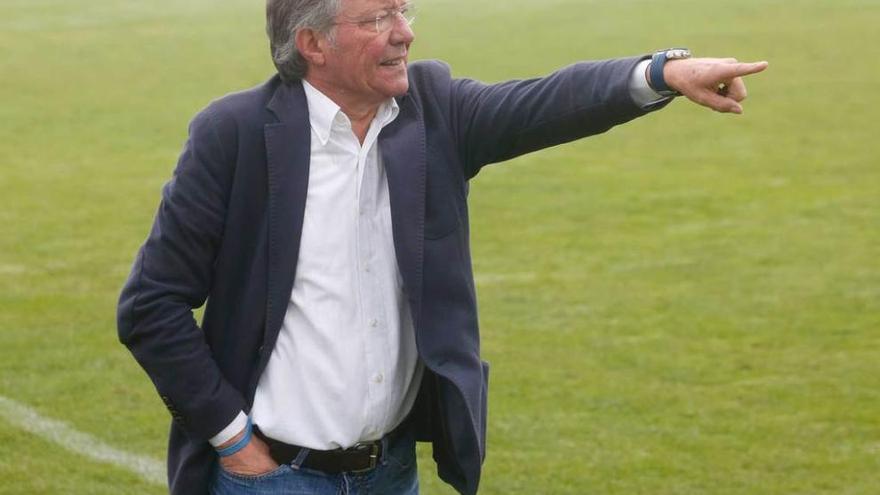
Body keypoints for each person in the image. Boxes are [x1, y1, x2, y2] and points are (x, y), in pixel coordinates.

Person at [116, 0, 768, 494]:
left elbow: (546, 103)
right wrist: (235, 440)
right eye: (378, 17)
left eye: (404, 8)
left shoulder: (436, 111)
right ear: (311, 42)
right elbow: (152, 305)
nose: (404, 31)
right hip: (274, 475)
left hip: (391, 471)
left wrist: (664, 70)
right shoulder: (232, 135)